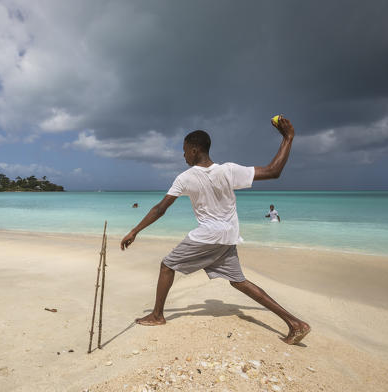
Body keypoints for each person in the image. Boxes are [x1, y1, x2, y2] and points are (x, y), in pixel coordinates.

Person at [120, 116, 310, 345]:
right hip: (228, 236)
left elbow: (161, 208)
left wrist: (134, 230)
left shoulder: (185, 177)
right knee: (239, 282)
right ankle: (295, 323)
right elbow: (273, 171)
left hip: (208, 236)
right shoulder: (229, 170)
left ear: (194, 149)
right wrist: (288, 138)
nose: (183, 156)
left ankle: (158, 315)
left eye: (184, 151)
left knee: (167, 265)